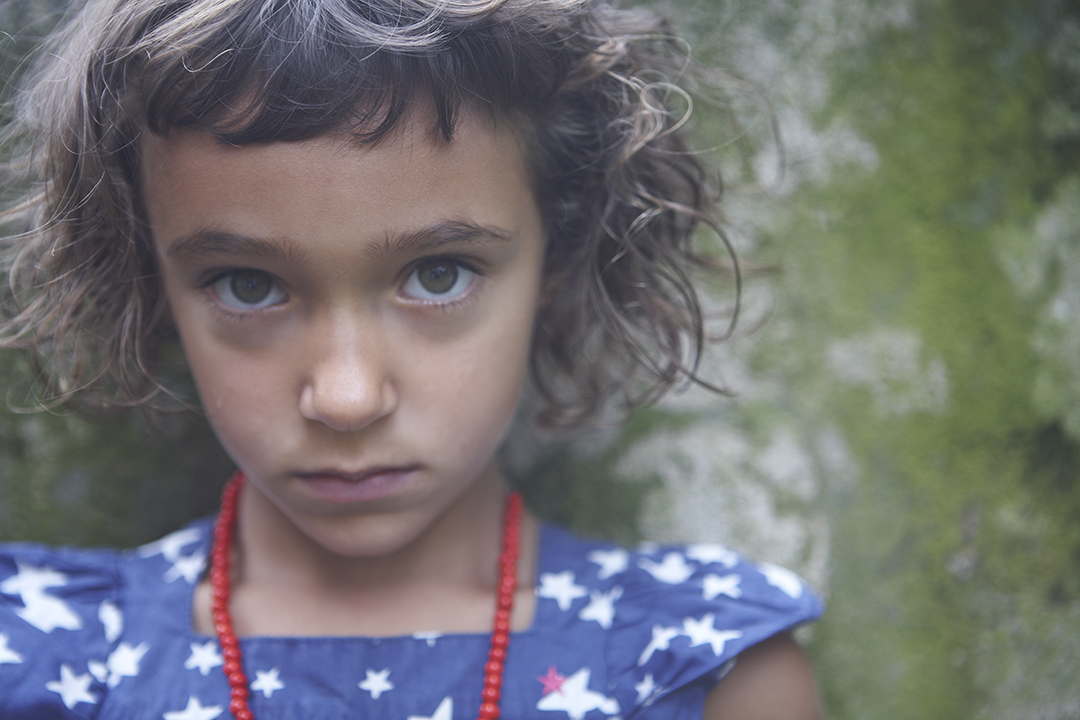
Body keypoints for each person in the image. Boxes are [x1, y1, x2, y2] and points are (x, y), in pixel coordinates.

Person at [0, 0, 824, 717]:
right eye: (248, 285)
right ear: (150, 278)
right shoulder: (47, 661)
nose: (347, 397)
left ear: (562, 249)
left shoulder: (691, 673)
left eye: (439, 275)